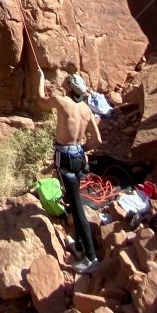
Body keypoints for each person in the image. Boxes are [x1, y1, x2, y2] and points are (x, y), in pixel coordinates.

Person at [36, 65, 102, 273]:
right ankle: (80, 246)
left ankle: (91, 257)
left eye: (66, 83)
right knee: (73, 201)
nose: (63, 84)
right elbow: (97, 139)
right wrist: (82, 148)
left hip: (64, 157)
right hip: (78, 157)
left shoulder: (62, 102)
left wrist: (39, 78)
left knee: (76, 206)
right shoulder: (86, 110)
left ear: (70, 88)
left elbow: (40, 99)